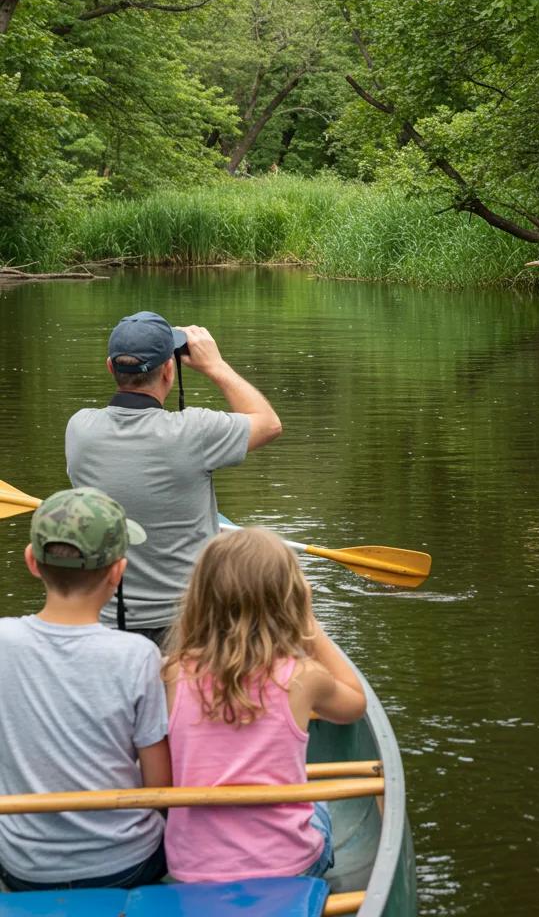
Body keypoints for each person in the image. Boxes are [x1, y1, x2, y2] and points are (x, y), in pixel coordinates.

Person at [161, 526, 366, 883]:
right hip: (288, 863)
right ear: (290, 600)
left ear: (200, 599)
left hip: (191, 868)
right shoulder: (303, 676)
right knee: (318, 806)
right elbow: (355, 704)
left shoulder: (173, 672)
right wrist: (310, 626)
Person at [65, 311, 282, 646]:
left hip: (109, 625)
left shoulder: (80, 429)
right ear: (169, 369)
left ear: (111, 368)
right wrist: (215, 366)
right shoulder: (193, 433)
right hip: (189, 625)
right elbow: (268, 423)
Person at [0, 488, 170, 892]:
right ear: (118, 571)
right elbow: (160, 786)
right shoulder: (139, 655)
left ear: (31, 562)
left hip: (22, 867)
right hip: (125, 863)